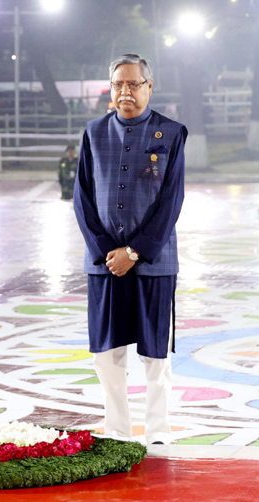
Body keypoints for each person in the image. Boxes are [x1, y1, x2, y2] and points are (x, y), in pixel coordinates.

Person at [73, 53, 186, 445]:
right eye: (118, 84)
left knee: (155, 355)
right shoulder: (93, 132)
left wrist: (135, 251)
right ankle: (117, 430)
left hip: (154, 263)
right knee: (107, 354)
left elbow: (171, 201)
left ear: (149, 87)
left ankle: (158, 430)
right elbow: (82, 200)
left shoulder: (171, 134)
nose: (126, 92)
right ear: (110, 87)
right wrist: (108, 251)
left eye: (134, 84)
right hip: (104, 265)